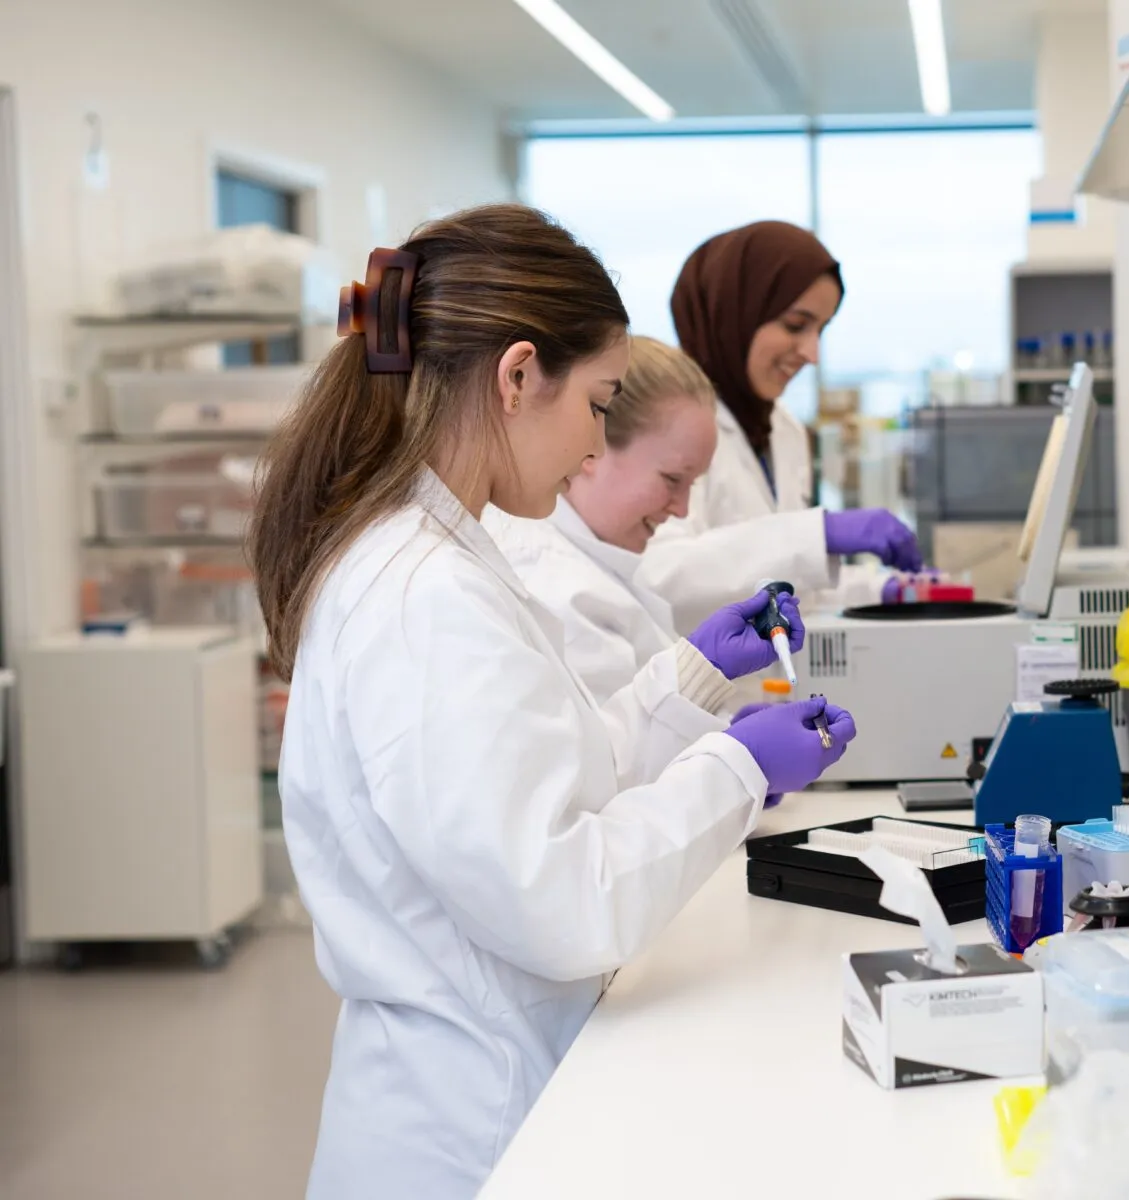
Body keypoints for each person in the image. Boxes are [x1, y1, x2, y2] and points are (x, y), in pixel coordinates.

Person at [248, 204, 856, 1200]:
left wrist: (692, 683)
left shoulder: (436, 552)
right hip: (467, 1128)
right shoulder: (427, 593)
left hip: (481, 1074)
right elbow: (560, 899)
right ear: (519, 375)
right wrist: (738, 769)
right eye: (598, 403)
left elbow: (546, 773)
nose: (589, 449)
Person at [638, 220, 925, 632]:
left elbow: (791, 582)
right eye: (795, 325)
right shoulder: (659, 423)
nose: (811, 353)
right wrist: (817, 534)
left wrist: (885, 590)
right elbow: (660, 577)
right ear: (734, 312)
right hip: (692, 686)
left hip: (773, 683)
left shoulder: (782, 429)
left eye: (821, 330)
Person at [483, 336, 728, 704]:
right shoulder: (557, 586)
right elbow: (615, 756)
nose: (683, 509)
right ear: (594, 448)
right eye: (673, 479)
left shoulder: (589, 562)